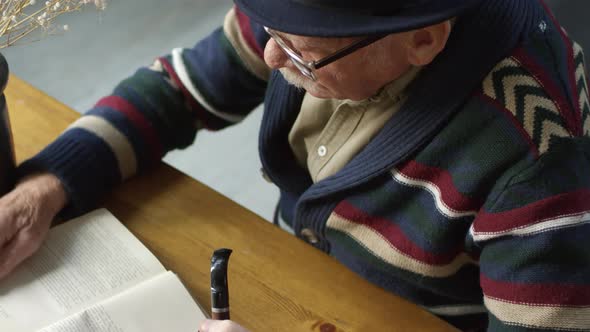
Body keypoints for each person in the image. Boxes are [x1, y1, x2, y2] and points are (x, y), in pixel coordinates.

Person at [1, 0, 589, 331]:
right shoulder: (308, 20)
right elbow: (181, 89)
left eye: (301, 56)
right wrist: (50, 185)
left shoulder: (537, 151)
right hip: (299, 281)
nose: (267, 54)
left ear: (423, 41)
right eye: (268, 28)